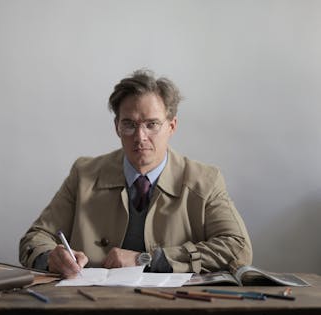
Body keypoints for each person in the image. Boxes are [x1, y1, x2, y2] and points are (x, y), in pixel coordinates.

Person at [19, 69, 252, 278]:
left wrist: (148, 259)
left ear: (172, 126)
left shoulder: (205, 180)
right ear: (117, 127)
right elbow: (34, 239)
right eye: (129, 124)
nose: (140, 137)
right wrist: (52, 258)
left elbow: (238, 248)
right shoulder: (84, 174)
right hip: (91, 305)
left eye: (151, 124)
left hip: (176, 310)